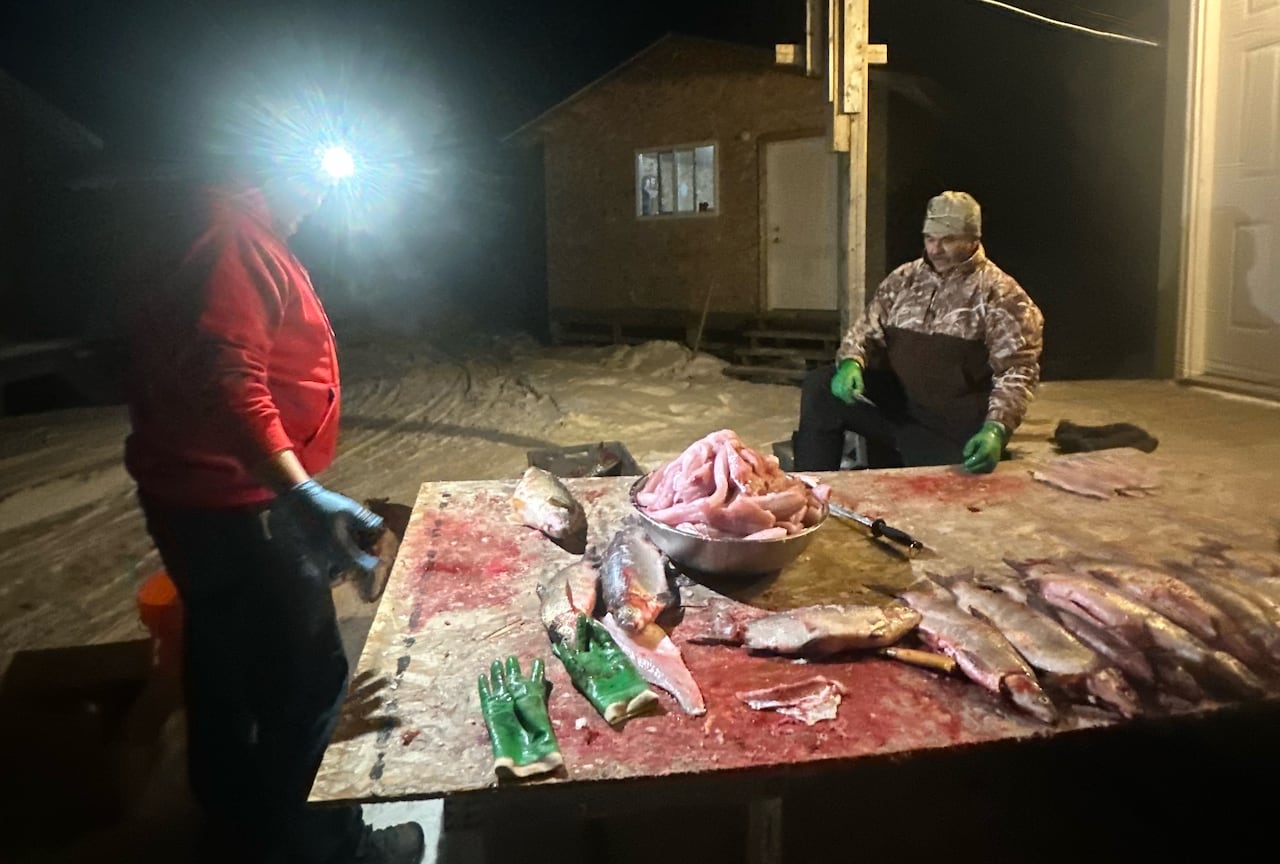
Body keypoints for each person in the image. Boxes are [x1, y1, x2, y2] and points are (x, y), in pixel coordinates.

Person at [123, 157, 425, 863]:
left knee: (222, 663)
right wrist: (297, 493)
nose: (315, 203)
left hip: (198, 499)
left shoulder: (212, 222)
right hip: (242, 502)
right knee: (308, 683)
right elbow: (228, 380)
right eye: (312, 185)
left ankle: (237, 829)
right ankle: (332, 851)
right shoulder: (232, 235)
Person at [793, 191, 1044, 474]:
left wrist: (997, 428)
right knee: (820, 386)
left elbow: (1018, 372)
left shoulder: (1003, 295)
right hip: (899, 411)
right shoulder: (904, 279)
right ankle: (810, 486)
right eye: (929, 238)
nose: (935, 249)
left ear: (973, 239)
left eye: (948, 240)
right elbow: (866, 328)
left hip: (951, 429)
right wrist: (852, 360)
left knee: (945, 493)